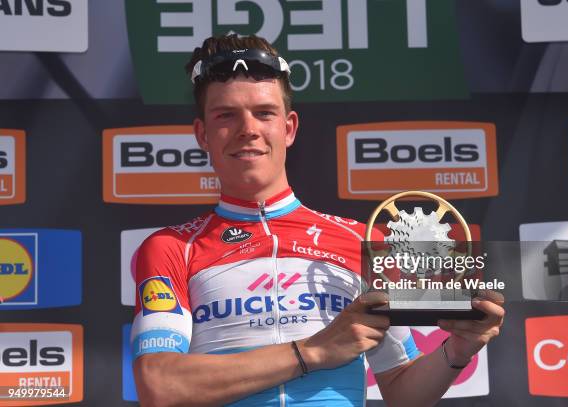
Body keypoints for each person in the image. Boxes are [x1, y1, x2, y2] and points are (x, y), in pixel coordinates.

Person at [131, 34, 505, 407]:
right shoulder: (172, 248)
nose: (248, 129)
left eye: (264, 113)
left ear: (289, 128)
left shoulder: (362, 241)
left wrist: (457, 351)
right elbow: (160, 386)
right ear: (203, 134)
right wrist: (312, 351)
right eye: (226, 115)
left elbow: (402, 391)